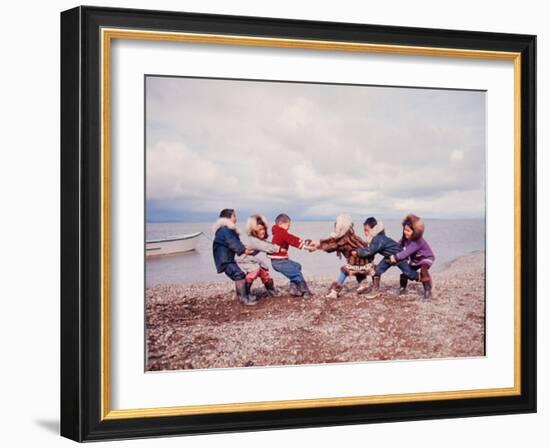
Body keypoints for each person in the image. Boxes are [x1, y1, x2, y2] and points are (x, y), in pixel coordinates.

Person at [312, 213, 375, 299]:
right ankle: (363, 284)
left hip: (357, 259)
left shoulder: (342, 238)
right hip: (365, 259)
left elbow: (330, 245)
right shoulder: (351, 234)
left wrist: (317, 246)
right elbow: (363, 244)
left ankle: (334, 292)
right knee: (357, 269)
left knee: (345, 270)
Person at [212, 208, 257, 306]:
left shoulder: (226, 229)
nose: (236, 218)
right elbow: (232, 242)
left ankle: (244, 296)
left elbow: (235, 242)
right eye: (234, 216)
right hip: (224, 259)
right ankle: (243, 299)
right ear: (229, 217)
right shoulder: (225, 229)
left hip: (226, 258)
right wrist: (244, 250)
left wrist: (245, 249)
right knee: (239, 275)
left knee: (240, 275)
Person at [353, 217, 404, 299]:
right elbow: (372, 251)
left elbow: (370, 251)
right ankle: (375, 291)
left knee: (410, 273)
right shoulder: (375, 237)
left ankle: (425, 282)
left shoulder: (378, 239)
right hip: (388, 257)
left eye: (367, 230)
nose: (365, 233)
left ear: (374, 229)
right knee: (377, 271)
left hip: (399, 255)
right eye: (364, 230)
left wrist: (358, 252)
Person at [389, 214, 436, 299]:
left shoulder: (417, 241)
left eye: (408, 231)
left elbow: (406, 253)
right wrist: (391, 248)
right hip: (416, 260)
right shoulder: (405, 239)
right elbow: (398, 245)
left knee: (423, 271)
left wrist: (395, 257)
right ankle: (402, 288)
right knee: (406, 272)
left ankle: (428, 291)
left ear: (415, 232)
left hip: (426, 258)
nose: (405, 232)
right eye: (404, 230)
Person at [268, 213, 315, 297]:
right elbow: (293, 240)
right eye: (288, 225)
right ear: (282, 224)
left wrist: (303, 242)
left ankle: (293, 289)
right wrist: (306, 247)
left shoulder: (279, 232)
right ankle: (305, 291)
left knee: (297, 266)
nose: (289, 227)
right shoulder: (282, 233)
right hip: (279, 262)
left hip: (279, 261)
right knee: (296, 273)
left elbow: (292, 238)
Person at [236, 214, 282, 298]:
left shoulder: (257, 240)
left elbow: (266, 244)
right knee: (255, 270)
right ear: (254, 230)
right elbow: (267, 247)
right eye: (260, 229)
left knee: (264, 272)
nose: (263, 231)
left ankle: (271, 290)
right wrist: (281, 249)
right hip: (242, 258)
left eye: (263, 229)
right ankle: (245, 293)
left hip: (250, 258)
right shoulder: (254, 241)